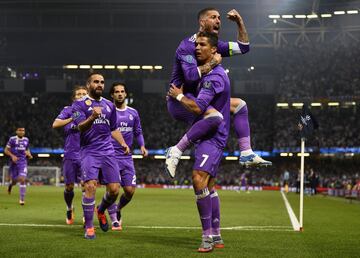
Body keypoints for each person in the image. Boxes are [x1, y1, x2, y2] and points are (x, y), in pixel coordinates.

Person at [165, 7, 271, 177]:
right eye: (213, 17)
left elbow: (244, 47)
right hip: (181, 100)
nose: (218, 21)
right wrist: (212, 64)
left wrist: (239, 22)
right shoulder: (187, 46)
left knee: (240, 106)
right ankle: (176, 151)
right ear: (202, 22)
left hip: (201, 98)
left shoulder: (214, 45)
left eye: (219, 18)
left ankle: (246, 153)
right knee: (215, 117)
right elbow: (191, 77)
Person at [168, 31, 230, 253]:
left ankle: (206, 238)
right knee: (210, 185)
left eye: (202, 45)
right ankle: (216, 235)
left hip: (212, 136)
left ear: (214, 50)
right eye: (197, 44)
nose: (197, 48)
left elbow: (198, 108)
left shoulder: (214, 76)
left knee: (198, 179)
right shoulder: (210, 72)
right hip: (211, 134)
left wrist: (177, 96)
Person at [71, 73, 130, 239]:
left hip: (108, 151)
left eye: (102, 82)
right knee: (90, 186)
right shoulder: (78, 105)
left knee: (114, 190)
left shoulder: (109, 105)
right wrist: (92, 117)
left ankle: (101, 209)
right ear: (88, 84)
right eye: (96, 82)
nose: (99, 85)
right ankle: (89, 227)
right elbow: (80, 127)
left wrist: (123, 143)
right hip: (89, 151)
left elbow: (113, 129)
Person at [106, 82, 148, 231]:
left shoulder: (133, 112)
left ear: (125, 94)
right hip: (110, 155)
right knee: (113, 188)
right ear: (112, 94)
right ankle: (114, 220)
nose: (119, 94)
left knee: (129, 191)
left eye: (122, 91)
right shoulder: (108, 111)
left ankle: (117, 209)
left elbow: (138, 131)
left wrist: (142, 145)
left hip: (127, 157)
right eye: (116, 91)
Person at [52, 85, 87, 225]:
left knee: (87, 185)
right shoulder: (68, 110)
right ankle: (69, 207)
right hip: (70, 153)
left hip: (86, 153)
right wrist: (72, 118)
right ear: (74, 97)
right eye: (79, 94)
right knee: (69, 187)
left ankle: (87, 213)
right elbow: (55, 124)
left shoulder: (92, 112)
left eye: (84, 93)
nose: (82, 95)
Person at [5, 127, 33, 205]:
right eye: (20, 130)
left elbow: (27, 149)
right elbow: (6, 150)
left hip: (22, 162)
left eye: (23, 130)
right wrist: (12, 156)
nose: (21, 132)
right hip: (13, 162)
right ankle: (11, 185)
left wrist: (29, 154)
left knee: (22, 179)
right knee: (14, 181)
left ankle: (22, 199)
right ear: (16, 131)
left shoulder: (26, 140)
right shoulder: (12, 139)